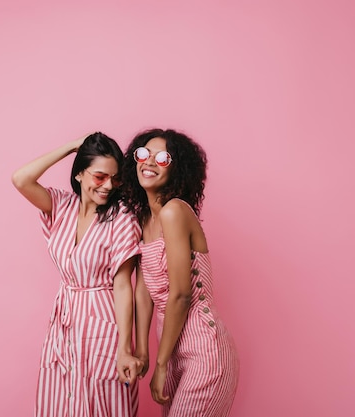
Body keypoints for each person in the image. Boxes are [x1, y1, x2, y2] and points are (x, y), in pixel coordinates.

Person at [12, 132, 144, 417]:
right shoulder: (62, 206)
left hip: (104, 323)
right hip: (64, 323)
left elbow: (123, 286)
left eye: (115, 178)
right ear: (80, 173)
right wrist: (73, 146)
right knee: (62, 399)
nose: (109, 185)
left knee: (102, 405)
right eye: (100, 176)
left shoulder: (122, 218)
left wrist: (125, 348)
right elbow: (21, 179)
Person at [121, 128, 239, 417]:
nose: (149, 162)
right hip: (171, 350)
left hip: (205, 351)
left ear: (177, 168)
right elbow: (142, 291)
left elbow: (182, 295)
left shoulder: (174, 212)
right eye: (143, 154)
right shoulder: (143, 218)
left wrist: (159, 365)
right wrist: (143, 351)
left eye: (162, 158)